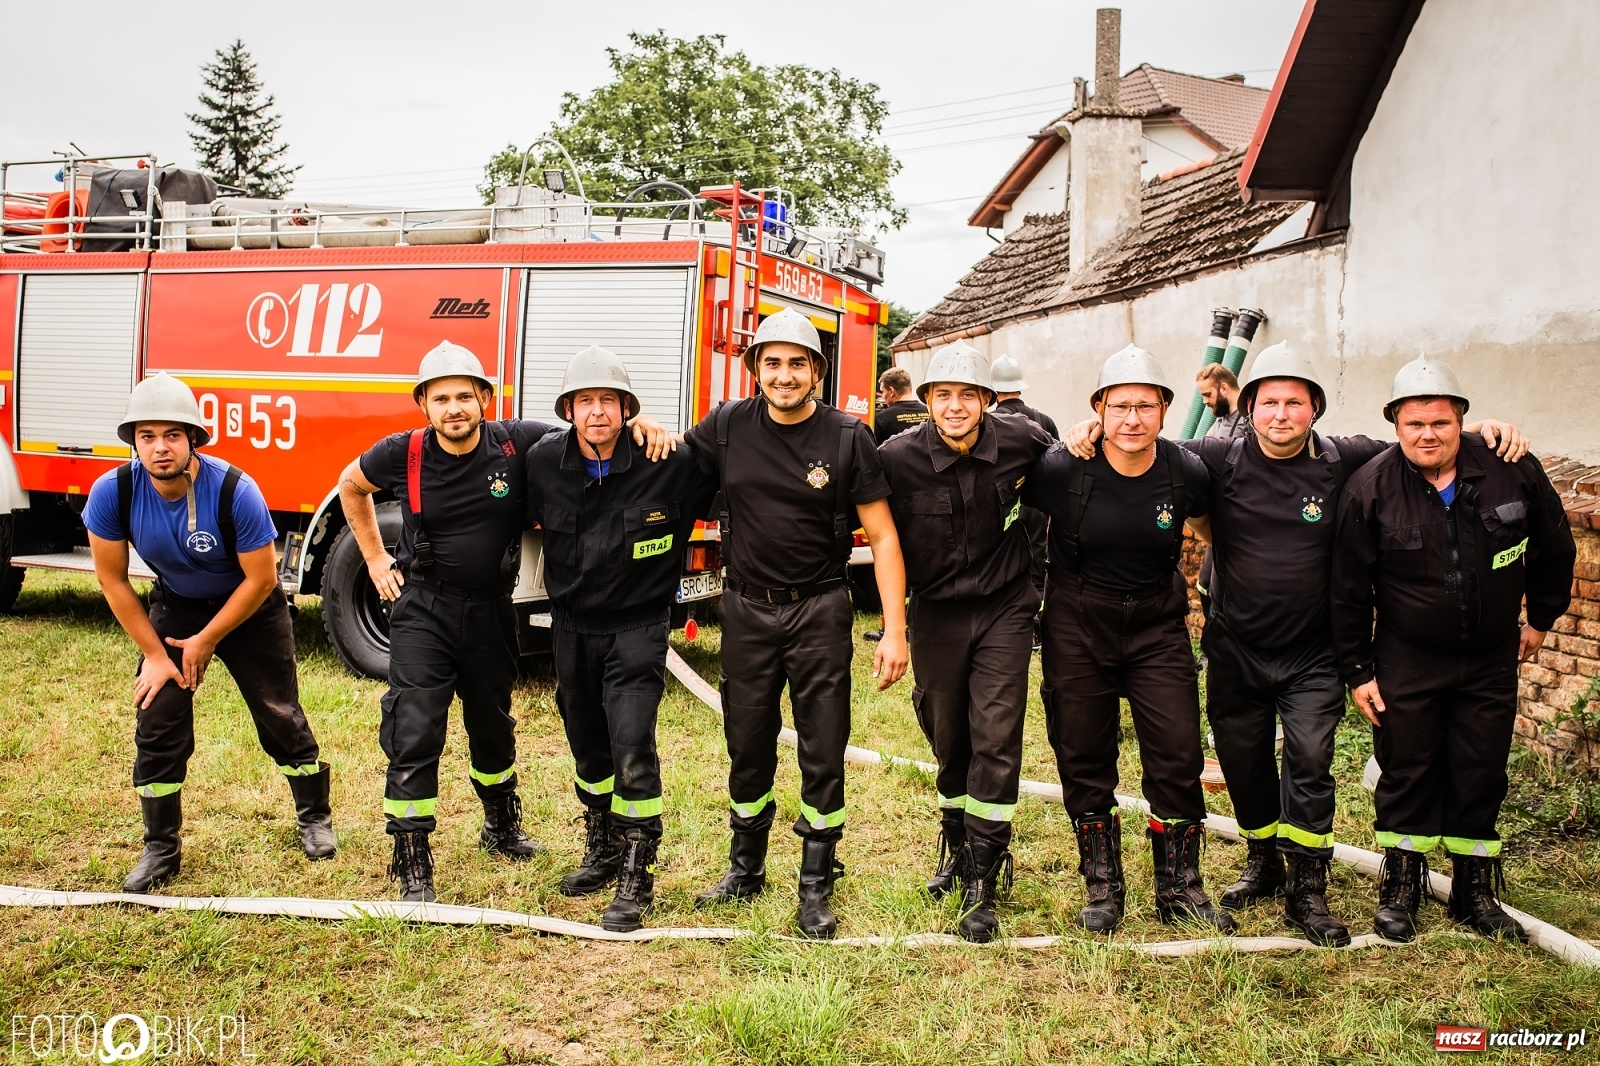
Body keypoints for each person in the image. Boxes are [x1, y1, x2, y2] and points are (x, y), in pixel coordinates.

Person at [1060, 341, 1528, 946]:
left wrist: (1483, 432)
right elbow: (1142, 443)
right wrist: (1091, 428)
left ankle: (1308, 890)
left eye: (1295, 403)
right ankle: (1263, 864)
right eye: (1269, 402)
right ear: (1249, 407)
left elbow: (1422, 439)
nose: (1281, 414)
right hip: (1235, 647)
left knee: (1309, 761)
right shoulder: (1213, 459)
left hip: (1313, 653)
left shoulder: (1348, 459)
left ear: (1316, 410)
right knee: (1244, 764)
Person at [337, 340, 670, 902]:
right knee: (415, 725)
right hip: (424, 606)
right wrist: (373, 557)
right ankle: (412, 857)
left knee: (492, 720)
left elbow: (589, 430)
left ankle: (501, 825)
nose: (454, 408)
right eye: (440, 398)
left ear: (485, 398)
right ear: (423, 404)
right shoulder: (403, 453)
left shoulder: (518, 442)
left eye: (465, 396)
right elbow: (351, 485)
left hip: (493, 606)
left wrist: (644, 422)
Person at [1332, 356, 1574, 943]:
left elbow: (1554, 545)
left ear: (1461, 419)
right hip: (1407, 659)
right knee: (1406, 769)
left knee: (1480, 768)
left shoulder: (1509, 469)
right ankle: (1402, 888)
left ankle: (1474, 892)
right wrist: (1359, 670)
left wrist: (1540, 619)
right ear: (1395, 424)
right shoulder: (1371, 488)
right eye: (1414, 424)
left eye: (1440, 422)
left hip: (1490, 658)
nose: (1427, 435)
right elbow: (1345, 589)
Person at [685, 308, 909, 939]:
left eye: (797, 363)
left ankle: (815, 883)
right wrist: (644, 427)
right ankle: (745, 868)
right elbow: (667, 475)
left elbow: (885, 537)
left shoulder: (846, 436)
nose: (784, 375)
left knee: (823, 744)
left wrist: (895, 628)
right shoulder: (726, 427)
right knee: (746, 741)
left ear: (817, 371)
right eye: (772, 362)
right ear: (755, 368)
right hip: (747, 609)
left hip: (820, 609)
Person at [86, 373, 335, 892]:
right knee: (157, 719)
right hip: (176, 605)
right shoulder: (114, 491)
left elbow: (263, 578)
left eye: (173, 435)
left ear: (193, 438)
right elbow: (112, 579)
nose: (160, 448)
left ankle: (314, 817)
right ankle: (160, 848)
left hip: (249, 607)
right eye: (147, 436)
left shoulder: (234, 489)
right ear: (132, 440)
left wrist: (208, 640)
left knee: (278, 712)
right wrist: (157, 656)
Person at [1023, 345, 1234, 935]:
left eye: (1146, 405)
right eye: (1120, 406)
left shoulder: (1185, 471)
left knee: (1178, 754)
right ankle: (1103, 885)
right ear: (1099, 409)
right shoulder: (1063, 467)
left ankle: (1180, 888)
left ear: (1166, 410)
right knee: (1084, 755)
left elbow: (1218, 530)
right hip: (1076, 623)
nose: (1133, 418)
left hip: (1155, 627)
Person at [525, 346, 718, 932]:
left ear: (628, 408)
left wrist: (663, 429)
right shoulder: (540, 462)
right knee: (588, 748)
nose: (598, 412)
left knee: (632, 743)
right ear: (568, 410)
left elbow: (731, 460)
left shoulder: (669, 461)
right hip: (572, 628)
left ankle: (638, 866)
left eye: (610, 401)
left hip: (639, 625)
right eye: (585, 401)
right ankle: (602, 845)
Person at [878, 341, 1053, 942]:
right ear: (926, 401)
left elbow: (1075, 468)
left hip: (1005, 608)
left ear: (986, 400)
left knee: (996, 734)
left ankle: (983, 873)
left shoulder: (1023, 440)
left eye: (968, 396)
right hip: (936, 614)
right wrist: (895, 626)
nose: (955, 406)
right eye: (943, 395)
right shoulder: (895, 459)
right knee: (948, 731)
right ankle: (955, 845)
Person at [990, 355, 1056, 608]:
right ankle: (1037, 616)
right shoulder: (1044, 420)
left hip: (1003, 503)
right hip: (1038, 505)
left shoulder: (988, 423)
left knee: (1003, 557)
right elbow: (1057, 460)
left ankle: (1008, 610)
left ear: (993, 390)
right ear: (1020, 386)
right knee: (1038, 555)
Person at [1193, 363, 1250, 617]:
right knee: (1205, 584)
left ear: (1224, 388)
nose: (1205, 401)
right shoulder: (1222, 419)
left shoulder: (1250, 420)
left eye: (1208, 394)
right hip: (1217, 519)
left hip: (1241, 522)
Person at [874, 366, 930, 445]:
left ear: (892, 391)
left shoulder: (881, 419)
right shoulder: (930, 412)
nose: (882, 396)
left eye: (883, 391)